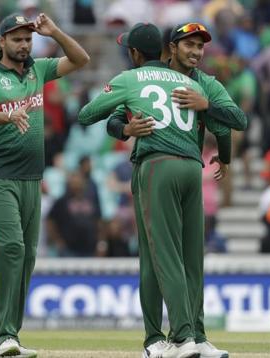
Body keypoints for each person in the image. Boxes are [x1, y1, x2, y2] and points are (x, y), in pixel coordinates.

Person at [78, 22, 232, 358]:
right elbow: (226, 126)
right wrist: (125, 126)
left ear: (133, 53)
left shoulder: (130, 78)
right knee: (189, 257)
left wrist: (125, 127)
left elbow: (87, 115)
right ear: (168, 50)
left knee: (160, 257)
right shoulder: (188, 81)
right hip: (193, 169)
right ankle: (185, 336)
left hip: (156, 167)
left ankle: (182, 336)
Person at [0, 13, 89, 356]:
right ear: (2, 42)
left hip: (32, 177)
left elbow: (81, 59)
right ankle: (3, 332)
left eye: (28, 39)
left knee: (27, 257)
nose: (24, 45)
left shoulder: (39, 69)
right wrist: (8, 115)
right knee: (10, 249)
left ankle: (8, 335)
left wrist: (55, 32)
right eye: (17, 39)